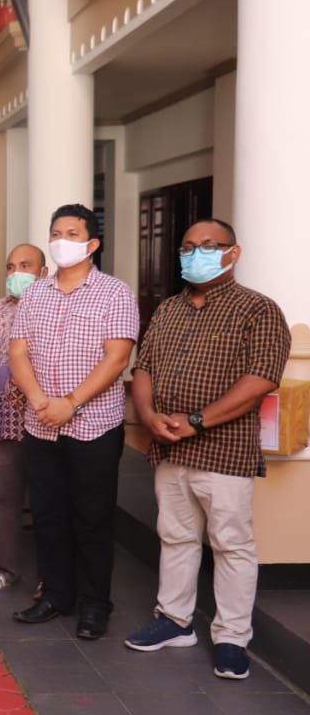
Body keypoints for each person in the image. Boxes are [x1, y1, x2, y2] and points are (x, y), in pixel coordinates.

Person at [125, 219, 290, 680]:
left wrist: (197, 420)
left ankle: (232, 638)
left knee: (231, 544)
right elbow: (144, 369)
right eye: (188, 247)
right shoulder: (168, 309)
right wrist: (149, 416)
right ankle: (174, 620)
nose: (196, 253)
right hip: (169, 447)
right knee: (175, 536)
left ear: (233, 253)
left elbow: (261, 379)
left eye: (209, 245)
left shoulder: (258, 309)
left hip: (224, 450)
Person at [10, 204, 139, 640]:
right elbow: (18, 352)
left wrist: (71, 403)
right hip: (41, 423)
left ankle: (95, 604)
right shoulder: (35, 294)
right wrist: (39, 401)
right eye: (55, 233)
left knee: (92, 517)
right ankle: (56, 596)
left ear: (92, 243)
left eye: (71, 233)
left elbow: (117, 358)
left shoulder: (114, 293)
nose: (61, 241)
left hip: (94, 425)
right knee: (48, 515)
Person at [0, 243, 48, 595]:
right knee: (3, 496)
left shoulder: (54, 307)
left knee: (49, 500)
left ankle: (51, 577)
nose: (16, 272)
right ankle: (4, 568)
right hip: (3, 419)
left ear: (43, 272)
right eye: (10, 266)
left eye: (25, 265)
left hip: (46, 418)